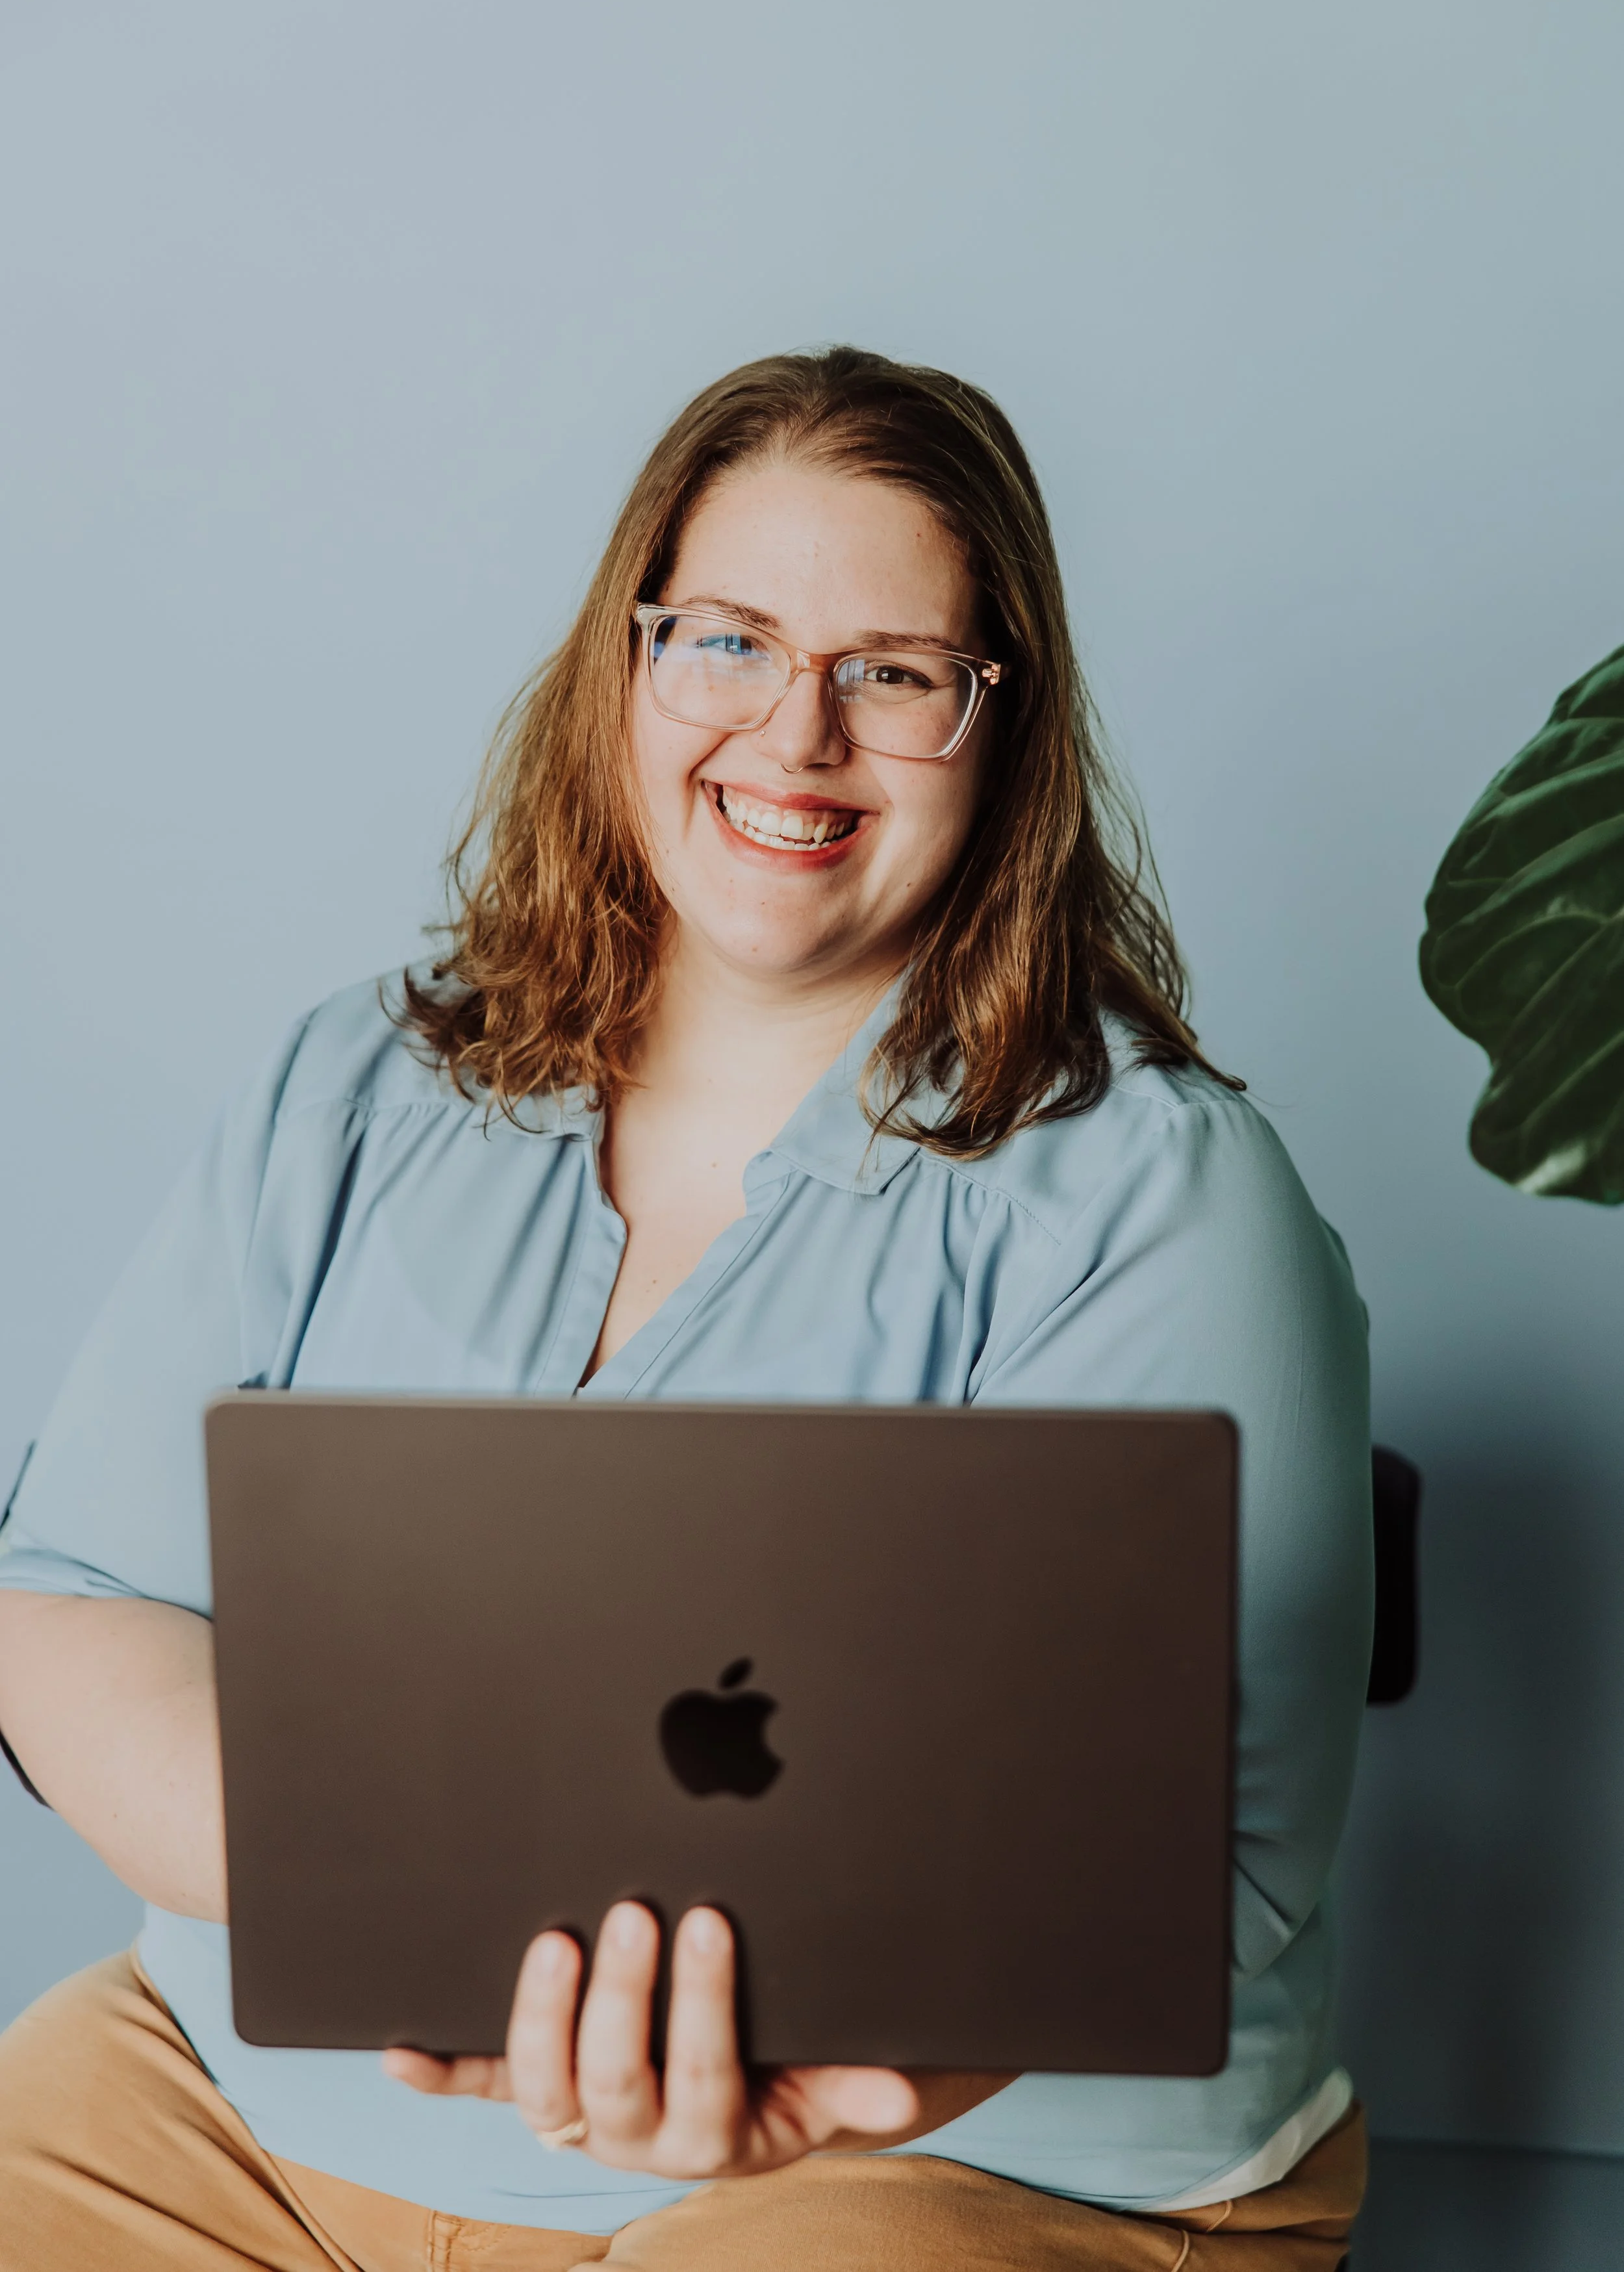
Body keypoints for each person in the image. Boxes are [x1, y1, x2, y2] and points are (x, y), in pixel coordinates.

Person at [0, 348, 1372, 2269]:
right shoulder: (354, 1086)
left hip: (928, 2167)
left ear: (999, 724)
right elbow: (68, 1597)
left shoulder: (1164, 1192)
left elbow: (1178, 1869)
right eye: (725, 638)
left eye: (890, 673)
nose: (792, 733)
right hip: (237, 2117)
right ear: (626, 666)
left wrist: (825, 2055)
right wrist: (457, 1917)